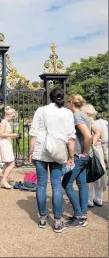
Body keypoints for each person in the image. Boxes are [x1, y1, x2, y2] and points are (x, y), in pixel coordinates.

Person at [29, 87, 76, 233]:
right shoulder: (67, 113)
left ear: (50, 97)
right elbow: (71, 138)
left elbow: (33, 133)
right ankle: (57, 221)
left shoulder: (41, 110)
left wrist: (31, 152)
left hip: (41, 149)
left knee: (41, 184)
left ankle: (43, 219)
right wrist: (71, 156)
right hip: (59, 150)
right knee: (56, 186)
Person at [64, 94, 92, 228]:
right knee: (81, 184)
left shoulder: (77, 116)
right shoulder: (85, 115)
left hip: (79, 156)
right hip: (84, 157)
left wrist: (84, 152)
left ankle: (79, 216)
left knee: (67, 183)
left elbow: (88, 135)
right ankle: (83, 214)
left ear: (71, 103)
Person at [82, 104, 107, 207]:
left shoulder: (86, 124)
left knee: (89, 174)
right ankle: (99, 198)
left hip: (89, 149)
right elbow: (104, 141)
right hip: (99, 150)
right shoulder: (101, 124)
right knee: (99, 173)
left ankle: (89, 199)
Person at [0, 106, 19, 189]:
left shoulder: (6, 122)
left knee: (7, 163)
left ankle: (4, 179)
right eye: (13, 116)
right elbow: (1, 134)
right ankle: (4, 180)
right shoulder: (4, 122)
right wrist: (13, 135)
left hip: (7, 142)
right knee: (12, 163)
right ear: (9, 114)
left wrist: (13, 136)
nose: (13, 118)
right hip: (4, 143)